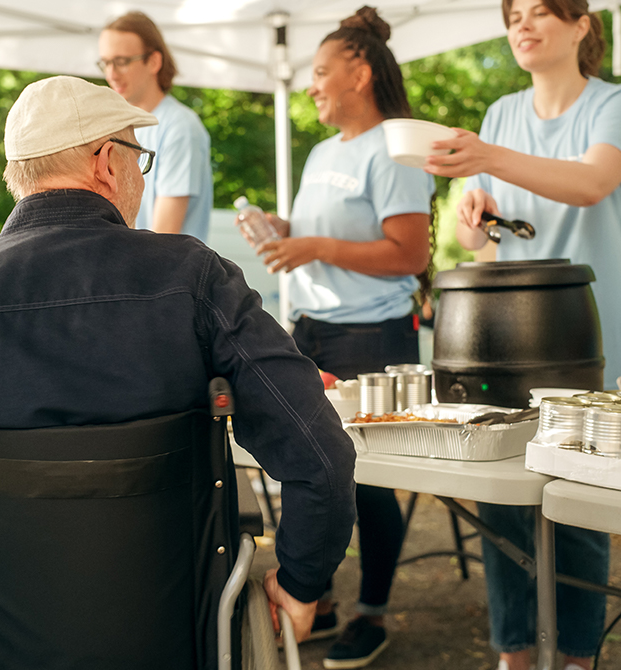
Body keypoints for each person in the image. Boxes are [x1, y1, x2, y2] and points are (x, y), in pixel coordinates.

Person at [0, 75, 357, 668]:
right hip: (177, 640)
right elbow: (322, 458)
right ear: (105, 162)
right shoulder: (193, 278)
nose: (142, 176)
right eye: (140, 158)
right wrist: (299, 588)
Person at [424, 0, 620, 668]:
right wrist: (474, 212)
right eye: (513, 17)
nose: (523, 26)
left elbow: (593, 183)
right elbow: (471, 237)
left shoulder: (608, 106)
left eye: (540, 12)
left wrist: (487, 159)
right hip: (507, 340)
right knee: (501, 501)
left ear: (581, 24)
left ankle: (574, 656)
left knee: (576, 506)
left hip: (589, 339)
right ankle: (513, 652)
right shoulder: (500, 115)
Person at [258, 7, 435, 669]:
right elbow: (324, 240)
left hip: (373, 337)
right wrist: (283, 230)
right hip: (312, 333)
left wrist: (318, 245)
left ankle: (373, 613)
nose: (310, 86)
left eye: (321, 72)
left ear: (359, 72)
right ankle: (319, 600)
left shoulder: (395, 147)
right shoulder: (323, 152)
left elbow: (409, 253)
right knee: (307, 471)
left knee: (368, 480)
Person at [98, 11, 213, 241]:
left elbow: (163, 238)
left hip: (161, 273)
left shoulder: (180, 127)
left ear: (154, 62)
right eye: (105, 63)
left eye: (121, 62)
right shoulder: (115, 127)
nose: (111, 74)